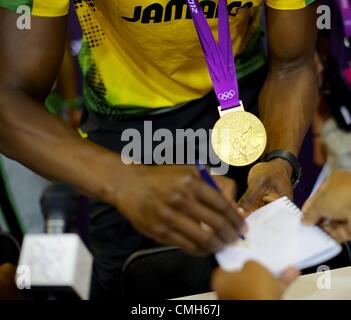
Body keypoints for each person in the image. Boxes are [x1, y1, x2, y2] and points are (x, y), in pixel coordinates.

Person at [0, 1, 318, 298]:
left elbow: (293, 63)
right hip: (126, 124)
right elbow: (10, 99)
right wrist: (124, 181)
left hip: (239, 109)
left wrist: (281, 158)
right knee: (130, 283)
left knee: (257, 278)